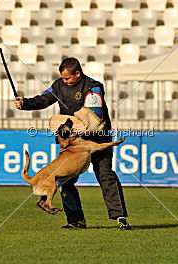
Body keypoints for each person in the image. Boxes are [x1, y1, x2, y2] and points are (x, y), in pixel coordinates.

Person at [13, 58, 131, 229]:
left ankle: (119, 216)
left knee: (105, 175)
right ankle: (76, 220)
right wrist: (25, 103)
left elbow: (93, 116)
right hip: (72, 144)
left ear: (78, 73)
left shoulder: (93, 87)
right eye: (63, 78)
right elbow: (44, 99)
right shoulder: (58, 85)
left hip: (97, 137)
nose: (65, 81)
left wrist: (75, 127)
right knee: (63, 181)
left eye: (68, 78)